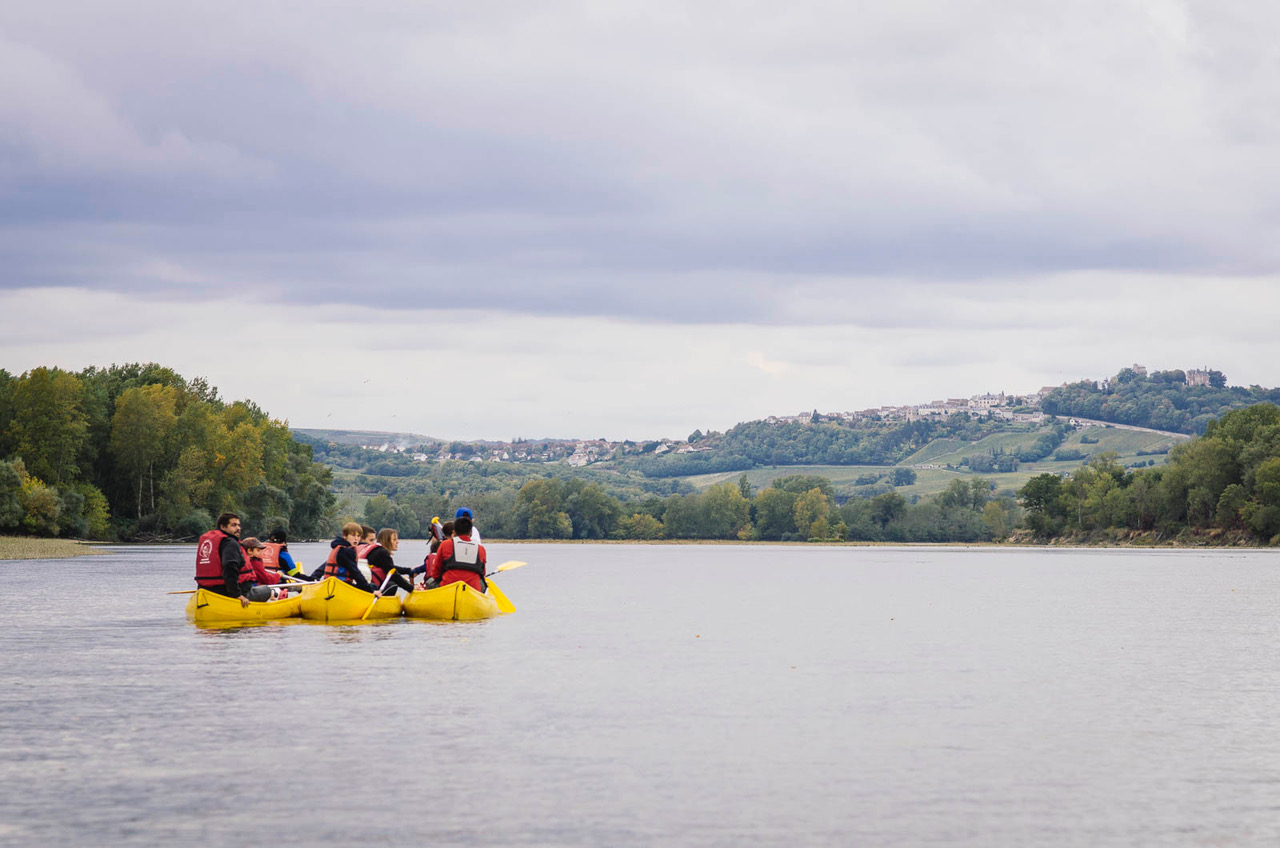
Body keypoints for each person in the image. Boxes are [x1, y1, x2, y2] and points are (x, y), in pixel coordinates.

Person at [194, 513, 272, 606]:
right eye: (233, 525)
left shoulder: (210, 540)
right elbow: (229, 568)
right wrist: (237, 595)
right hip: (230, 593)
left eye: (239, 525)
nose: (238, 528)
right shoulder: (230, 543)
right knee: (267, 590)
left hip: (208, 591)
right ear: (223, 526)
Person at [428, 513, 488, 592]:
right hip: (472, 589)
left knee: (429, 582)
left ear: (454, 532)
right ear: (470, 533)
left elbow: (435, 573)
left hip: (448, 587)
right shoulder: (481, 549)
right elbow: (482, 574)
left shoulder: (445, 545)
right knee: (484, 584)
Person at [322, 522, 375, 592]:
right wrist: (370, 590)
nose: (356, 539)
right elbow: (355, 572)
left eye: (358, 536)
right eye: (353, 535)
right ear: (345, 536)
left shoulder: (338, 547)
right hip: (341, 586)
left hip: (331, 586)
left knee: (371, 586)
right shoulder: (346, 551)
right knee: (374, 587)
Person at [366, 528, 415, 596]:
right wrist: (411, 588)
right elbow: (393, 574)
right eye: (394, 539)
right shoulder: (382, 553)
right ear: (387, 541)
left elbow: (389, 567)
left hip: (370, 585)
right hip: (373, 588)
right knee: (392, 584)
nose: (397, 542)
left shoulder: (377, 551)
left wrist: (409, 570)